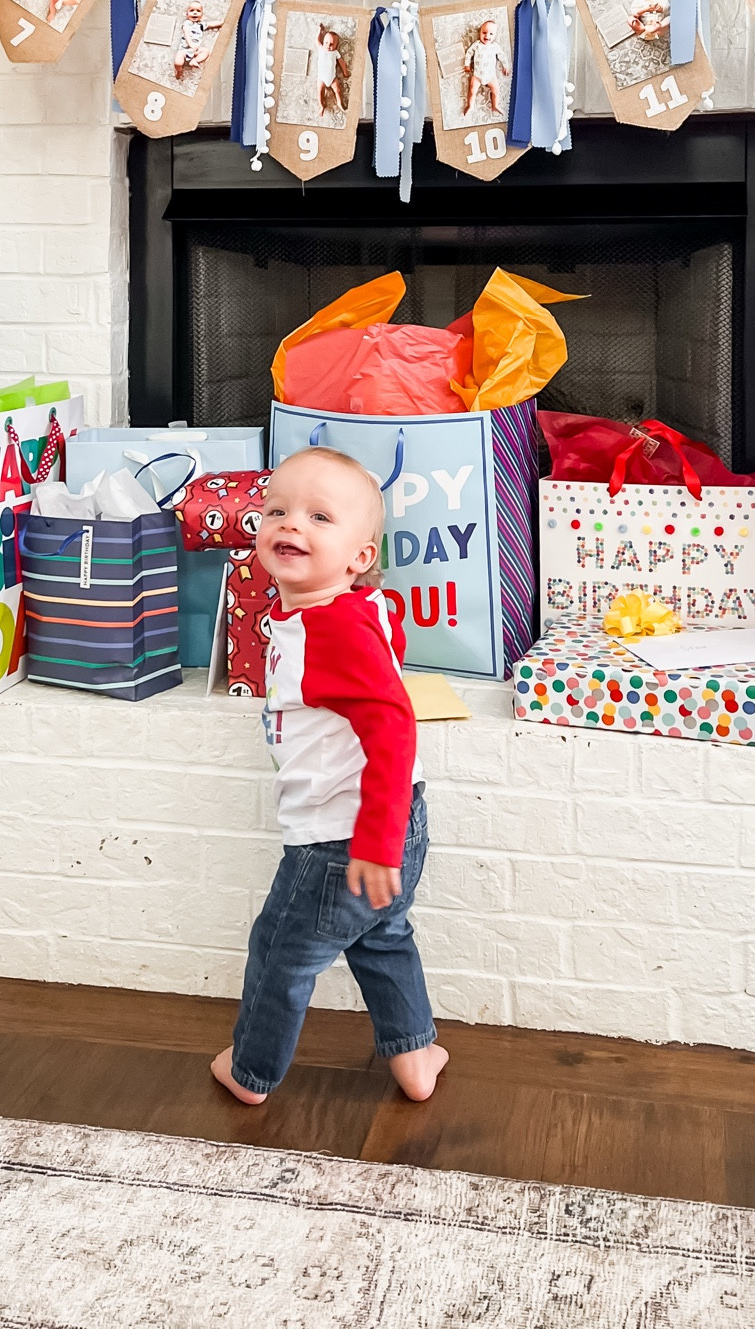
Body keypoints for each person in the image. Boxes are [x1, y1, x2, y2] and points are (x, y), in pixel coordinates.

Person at [211, 448, 445, 1106]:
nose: (291, 524)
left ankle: (250, 1071)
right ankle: (415, 1055)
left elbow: (393, 726)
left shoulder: (332, 628)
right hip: (394, 820)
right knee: (382, 938)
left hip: (342, 837)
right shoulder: (356, 609)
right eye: (276, 510)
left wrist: (374, 842)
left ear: (358, 556)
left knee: (280, 953)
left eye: (320, 517)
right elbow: (384, 650)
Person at [463, 17, 509, 118]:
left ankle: (495, 105)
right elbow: (469, 53)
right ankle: (470, 106)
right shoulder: (477, 44)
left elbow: (502, 55)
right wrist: (467, 64)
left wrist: (506, 66)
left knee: (496, 90)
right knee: (472, 90)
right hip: (477, 75)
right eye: (484, 32)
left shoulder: (494, 46)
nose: (487, 36)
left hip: (491, 76)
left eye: (491, 34)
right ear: (480, 33)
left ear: (495, 36)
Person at [172, 0, 213, 84]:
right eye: (192, 10)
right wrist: (190, 44)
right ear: (187, 14)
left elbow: (211, 24)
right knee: (178, 63)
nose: (195, 13)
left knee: (206, 51)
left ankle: (195, 61)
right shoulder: (187, 23)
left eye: (198, 11)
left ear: (202, 14)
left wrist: (223, 23)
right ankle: (179, 70)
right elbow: (186, 33)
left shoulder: (201, 24)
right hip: (184, 49)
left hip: (195, 50)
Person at [315, 25, 348, 117]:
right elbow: (317, 40)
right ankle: (321, 106)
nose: (328, 46)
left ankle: (340, 103)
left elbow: (342, 62)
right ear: (323, 42)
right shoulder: (321, 49)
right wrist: (320, 31)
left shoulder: (335, 52)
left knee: (338, 90)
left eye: (331, 44)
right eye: (326, 42)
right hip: (321, 78)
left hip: (332, 78)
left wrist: (345, 72)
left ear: (336, 46)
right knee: (320, 92)